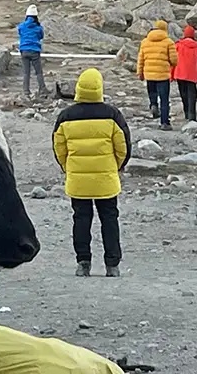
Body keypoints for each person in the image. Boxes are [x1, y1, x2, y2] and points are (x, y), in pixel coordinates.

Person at [52, 68, 130, 277]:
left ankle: (83, 262)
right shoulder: (112, 114)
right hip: (106, 178)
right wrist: (116, 166)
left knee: (81, 219)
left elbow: (59, 148)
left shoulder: (66, 117)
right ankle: (112, 265)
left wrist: (68, 168)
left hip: (78, 180)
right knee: (110, 219)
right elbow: (123, 146)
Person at [135, 20, 177, 129]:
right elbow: (174, 60)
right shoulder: (168, 42)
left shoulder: (145, 42)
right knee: (164, 99)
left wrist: (140, 72)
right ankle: (164, 123)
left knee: (152, 93)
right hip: (162, 75)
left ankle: (153, 105)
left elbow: (141, 59)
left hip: (149, 74)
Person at [172, 24, 197, 123]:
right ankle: (192, 115)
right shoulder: (196, 47)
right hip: (192, 75)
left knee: (183, 94)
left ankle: (186, 112)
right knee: (192, 95)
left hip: (180, 73)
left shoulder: (178, 45)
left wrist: (172, 74)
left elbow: (173, 61)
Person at [17, 5, 47, 98]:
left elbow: (20, 32)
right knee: (38, 72)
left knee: (26, 72)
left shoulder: (21, 26)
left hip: (24, 50)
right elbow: (41, 36)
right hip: (34, 51)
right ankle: (42, 89)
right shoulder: (38, 28)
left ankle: (26, 91)